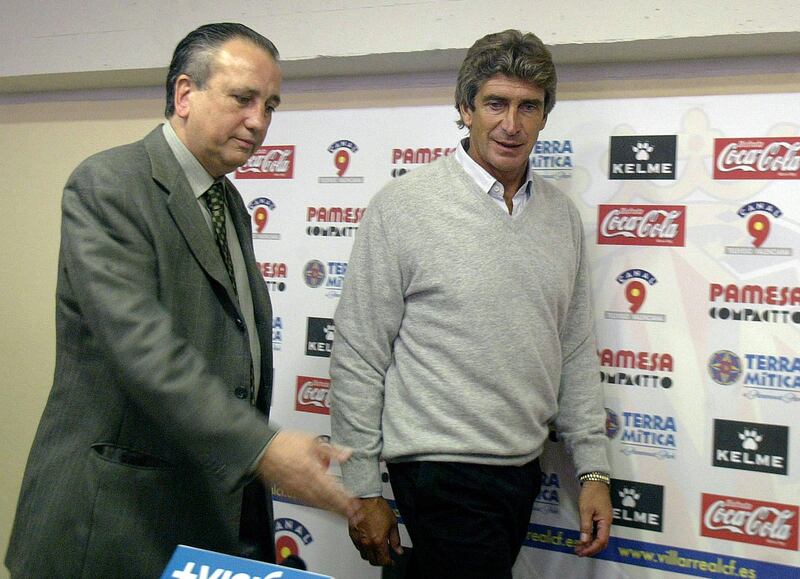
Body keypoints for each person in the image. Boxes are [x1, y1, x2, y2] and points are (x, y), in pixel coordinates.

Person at [6, 22, 357, 578]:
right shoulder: (110, 184)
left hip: (198, 517)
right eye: (243, 98)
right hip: (111, 524)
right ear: (185, 94)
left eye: (270, 105)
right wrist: (263, 449)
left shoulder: (229, 201)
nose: (259, 121)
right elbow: (142, 348)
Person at [330, 29, 612, 578]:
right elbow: (359, 352)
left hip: (522, 468)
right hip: (439, 469)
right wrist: (362, 489)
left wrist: (594, 472)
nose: (512, 124)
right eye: (495, 104)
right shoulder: (404, 207)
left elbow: (574, 348)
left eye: (528, 106)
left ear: (545, 116)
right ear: (464, 109)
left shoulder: (560, 217)